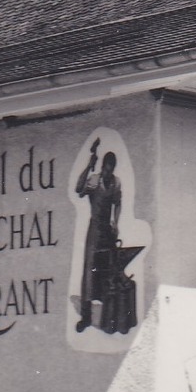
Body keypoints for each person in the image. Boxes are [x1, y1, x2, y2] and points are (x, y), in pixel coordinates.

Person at [74, 139, 121, 332]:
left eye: (111, 170)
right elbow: (78, 190)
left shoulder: (116, 183)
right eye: (106, 170)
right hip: (94, 230)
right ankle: (86, 316)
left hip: (107, 231)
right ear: (103, 168)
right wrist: (88, 166)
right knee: (89, 271)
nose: (109, 174)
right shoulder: (94, 180)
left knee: (108, 272)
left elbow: (118, 203)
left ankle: (109, 315)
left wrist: (115, 222)